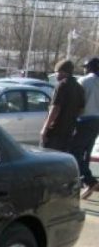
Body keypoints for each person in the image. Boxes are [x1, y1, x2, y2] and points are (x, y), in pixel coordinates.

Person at [40, 59, 85, 152]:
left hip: (55, 131)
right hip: (69, 131)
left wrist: (45, 128)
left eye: (56, 72)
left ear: (62, 72)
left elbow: (55, 108)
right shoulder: (79, 87)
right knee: (61, 159)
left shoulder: (62, 85)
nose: (56, 75)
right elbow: (81, 109)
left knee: (46, 157)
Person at [75, 57, 99, 199]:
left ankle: (89, 181)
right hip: (97, 121)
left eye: (85, 67)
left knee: (74, 152)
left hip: (84, 120)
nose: (84, 69)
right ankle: (87, 181)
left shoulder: (83, 81)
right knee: (86, 153)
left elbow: (77, 103)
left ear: (89, 68)